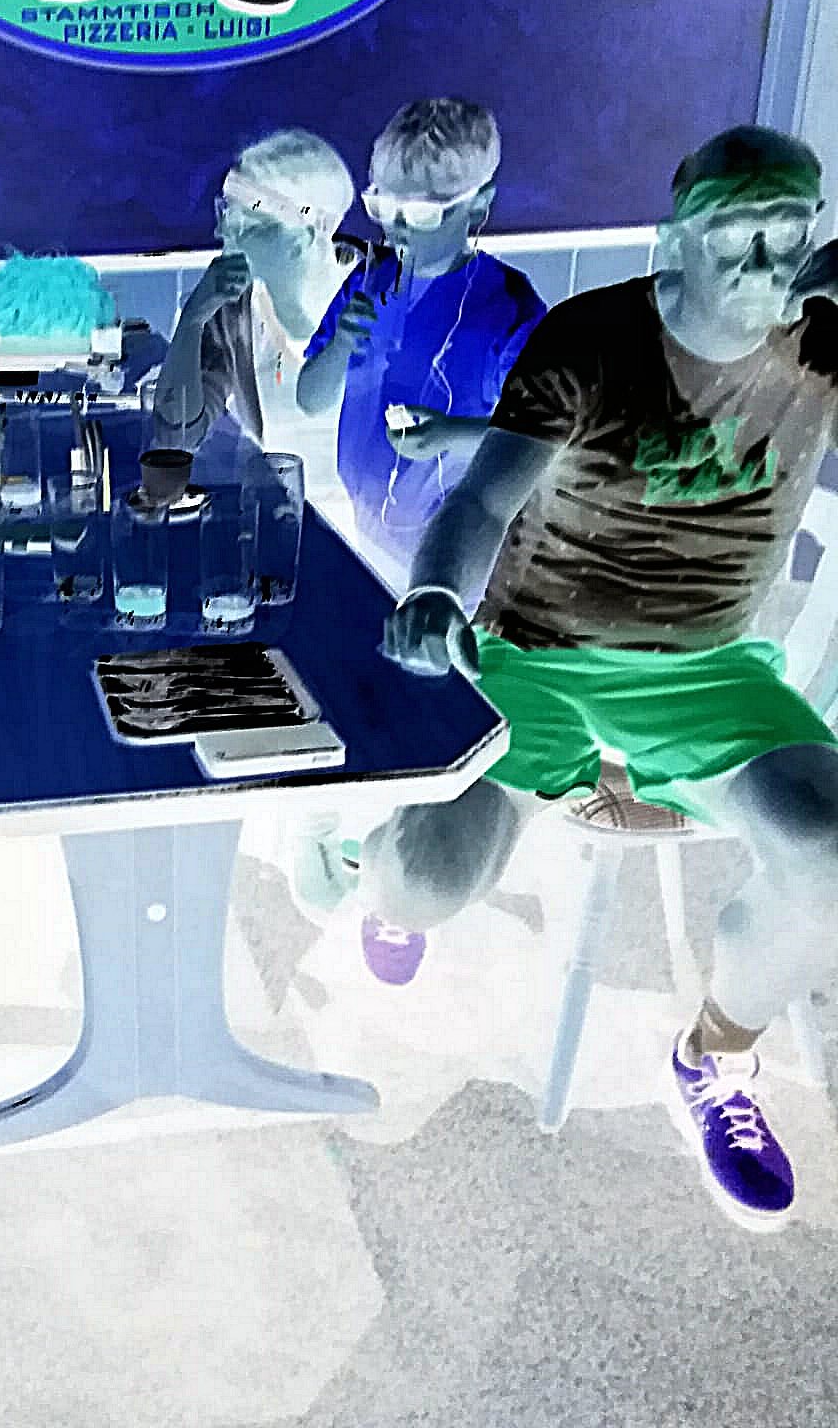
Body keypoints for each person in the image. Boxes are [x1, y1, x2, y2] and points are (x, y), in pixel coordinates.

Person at [361, 126, 838, 1233]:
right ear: (675, 241)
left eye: (786, 235)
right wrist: (434, 596)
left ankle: (713, 1059)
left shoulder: (817, 351)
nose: (761, 264)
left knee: (828, 844)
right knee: (423, 883)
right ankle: (362, 856)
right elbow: (481, 502)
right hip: (535, 645)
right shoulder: (590, 337)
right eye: (734, 234)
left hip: (707, 667)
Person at [297, 98, 547, 592]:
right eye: (383, 208)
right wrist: (340, 344)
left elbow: (537, 439)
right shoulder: (369, 282)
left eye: (421, 214)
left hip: (459, 550)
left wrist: (451, 433)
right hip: (368, 532)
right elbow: (310, 399)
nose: (398, 229)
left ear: (478, 205)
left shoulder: (509, 308)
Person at [151, 128, 359, 492]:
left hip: (372, 521)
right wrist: (192, 319)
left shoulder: (377, 294)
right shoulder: (233, 307)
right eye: (225, 211)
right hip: (283, 510)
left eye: (243, 222)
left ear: (303, 239)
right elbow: (177, 438)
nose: (221, 230)